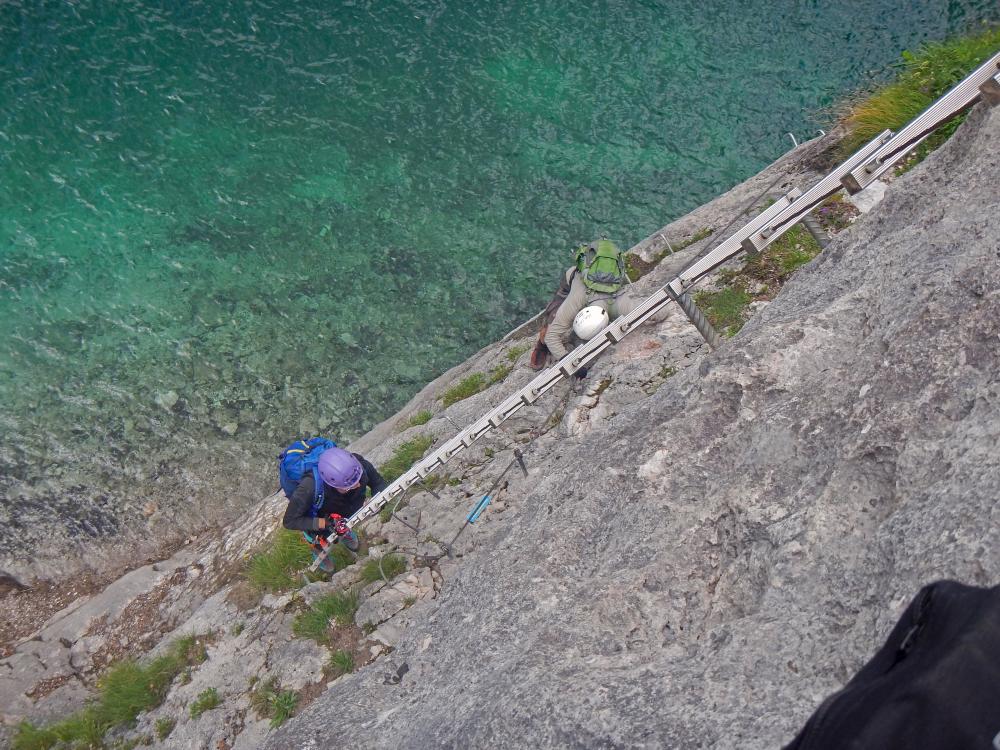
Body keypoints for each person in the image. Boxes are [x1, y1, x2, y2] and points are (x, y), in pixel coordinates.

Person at [539, 239, 642, 373]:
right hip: (573, 278)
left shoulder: (619, 303)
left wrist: (570, 362)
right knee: (555, 311)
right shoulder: (579, 298)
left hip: (599, 292)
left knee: (563, 321)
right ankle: (540, 341)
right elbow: (551, 337)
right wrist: (572, 366)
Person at [281, 446, 387, 554]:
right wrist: (327, 523)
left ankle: (345, 532)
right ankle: (317, 549)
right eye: (349, 486)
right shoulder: (309, 489)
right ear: (331, 483)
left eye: (358, 480)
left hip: (345, 509)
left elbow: (378, 483)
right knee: (319, 541)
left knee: (343, 524)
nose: (358, 485)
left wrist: (377, 502)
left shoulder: (357, 466)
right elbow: (290, 521)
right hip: (323, 518)